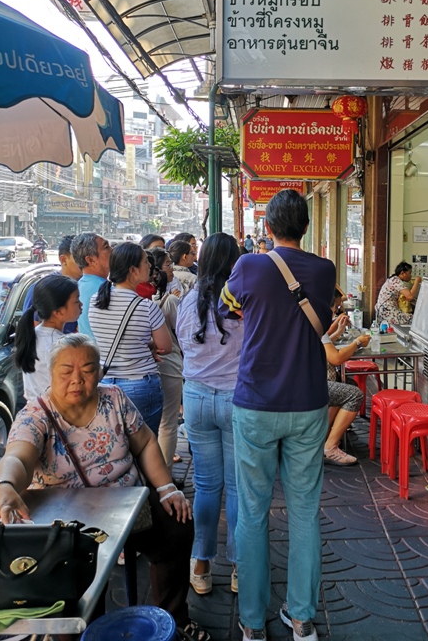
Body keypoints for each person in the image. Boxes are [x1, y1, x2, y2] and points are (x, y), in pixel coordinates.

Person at [0, 334, 208, 641]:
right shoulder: (36, 415)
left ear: (99, 371)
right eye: (66, 371)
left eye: (87, 370)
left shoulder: (114, 399)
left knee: (178, 522)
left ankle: (171, 618)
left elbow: (147, 441)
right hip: (69, 524)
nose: (77, 379)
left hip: (128, 507)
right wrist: (6, 486)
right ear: (52, 373)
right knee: (75, 593)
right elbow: (18, 455)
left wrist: (166, 488)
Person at [220, 188, 335, 641]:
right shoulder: (324, 271)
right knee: (305, 512)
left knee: (252, 512)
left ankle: (252, 624)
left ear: (267, 226)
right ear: (306, 227)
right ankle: (303, 618)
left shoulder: (249, 266)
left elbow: (230, 306)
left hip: (256, 403)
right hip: (309, 402)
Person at [177, 233, 243, 597]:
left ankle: (200, 564)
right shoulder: (240, 303)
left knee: (205, 486)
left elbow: (183, 346)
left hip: (197, 398)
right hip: (236, 399)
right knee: (236, 487)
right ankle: (238, 567)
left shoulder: (188, 302)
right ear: (234, 262)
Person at [89, 242, 172, 436]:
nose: (150, 266)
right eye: (146, 262)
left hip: (106, 383)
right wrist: (147, 346)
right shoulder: (146, 307)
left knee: (115, 444)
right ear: (133, 270)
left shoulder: (96, 301)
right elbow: (165, 347)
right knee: (145, 447)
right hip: (140, 384)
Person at [14, 274, 82, 401]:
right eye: (77, 300)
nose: (81, 304)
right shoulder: (59, 345)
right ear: (58, 311)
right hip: (54, 411)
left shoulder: (33, 335)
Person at [321, 292, 370, 466]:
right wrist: (356, 342)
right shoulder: (318, 323)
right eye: (336, 306)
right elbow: (336, 358)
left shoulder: (310, 319)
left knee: (345, 385)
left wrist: (339, 330)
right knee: (354, 394)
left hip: (305, 379)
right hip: (310, 384)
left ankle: (322, 439)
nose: (337, 310)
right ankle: (330, 447)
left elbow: (323, 344)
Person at [150, 246, 184, 470]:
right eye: (168, 264)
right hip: (170, 365)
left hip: (148, 369)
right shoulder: (168, 302)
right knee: (168, 423)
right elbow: (179, 336)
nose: (172, 269)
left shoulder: (144, 301)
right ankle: (165, 477)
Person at [22, 234, 82, 333]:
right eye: (79, 258)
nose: (86, 261)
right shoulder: (44, 288)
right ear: (63, 260)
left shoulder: (94, 286)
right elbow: (33, 330)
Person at [71, 233, 112, 336]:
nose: (112, 250)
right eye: (106, 247)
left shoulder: (80, 285)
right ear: (91, 260)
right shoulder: (105, 289)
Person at [375, 261, 421, 327]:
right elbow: (410, 296)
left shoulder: (392, 278)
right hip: (387, 312)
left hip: (383, 311)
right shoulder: (395, 280)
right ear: (402, 273)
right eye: (409, 273)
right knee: (415, 319)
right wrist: (417, 281)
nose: (411, 276)